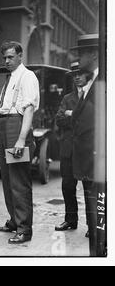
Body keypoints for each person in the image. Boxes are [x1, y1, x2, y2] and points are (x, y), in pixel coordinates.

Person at [0, 41, 39, 244]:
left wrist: (20, 138)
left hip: (16, 128)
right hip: (4, 128)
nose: (7, 61)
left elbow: (28, 109)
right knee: (8, 180)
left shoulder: (27, 76)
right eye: (5, 58)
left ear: (20, 56)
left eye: (11, 57)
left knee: (19, 181)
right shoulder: (10, 78)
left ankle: (24, 229)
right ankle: (14, 221)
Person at [70, 34, 102, 256]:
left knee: (97, 204)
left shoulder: (102, 82)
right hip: (88, 156)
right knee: (92, 201)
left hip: (96, 155)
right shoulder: (94, 83)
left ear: (94, 54)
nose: (78, 58)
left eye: (81, 53)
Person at [55, 62, 90, 233]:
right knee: (68, 186)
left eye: (81, 73)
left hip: (86, 151)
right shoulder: (67, 98)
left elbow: (92, 122)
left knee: (89, 188)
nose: (77, 77)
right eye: (74, 74)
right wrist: (73, 116)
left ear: (88, 75)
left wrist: (71, 114)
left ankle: (93, 225)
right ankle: (70, 220)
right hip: (68, 150)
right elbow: (59, 120)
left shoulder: (93, 97)